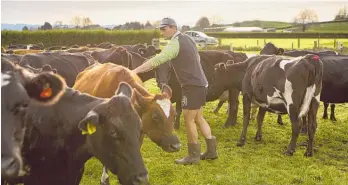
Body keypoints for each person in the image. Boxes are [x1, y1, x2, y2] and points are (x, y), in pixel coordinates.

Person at [132, 17, 217, 165]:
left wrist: (135, 71)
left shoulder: (175, 43)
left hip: (192, 86)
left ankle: (193, 156)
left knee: (188, 119)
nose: (162, 32)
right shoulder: (188, 39)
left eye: (164, 29)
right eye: (161, 30)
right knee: (198, 118)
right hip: (201, 84)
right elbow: (196, 57)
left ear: (173, 27)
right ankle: (211, 151)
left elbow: (157, 60)